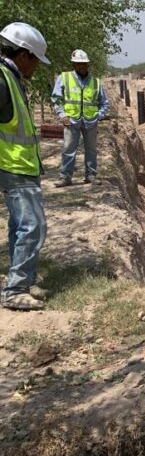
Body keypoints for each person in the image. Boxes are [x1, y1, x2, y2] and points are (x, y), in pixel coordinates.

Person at [0, 23, 50, 311]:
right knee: (33, 226)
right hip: (14, 166)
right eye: (36, 61)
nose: (37, 68)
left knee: (20, 225)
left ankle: (23, 279)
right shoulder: (3, 80)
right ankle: (16, 289)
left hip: (20, 165)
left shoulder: (10, 78)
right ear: (24, 55)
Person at [52, 49, 109, 186]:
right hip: (71, 120)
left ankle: (91, 175)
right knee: (68, 149)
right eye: (78, 64)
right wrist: (62, 115)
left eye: (84, 64)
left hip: (90, 121)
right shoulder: (64, 78)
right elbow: (56, 98)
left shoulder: (95, 82)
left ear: (88, 64)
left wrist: (99, 116)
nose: (81, 66)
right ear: (74, 64)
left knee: (91, 150)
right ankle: (65, 177)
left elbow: (104, 103)